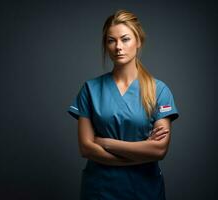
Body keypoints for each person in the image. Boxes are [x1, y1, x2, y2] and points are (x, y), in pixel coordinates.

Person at [67, 9, 179, 200]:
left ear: (138, 42)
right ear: (106, 45)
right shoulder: (90, 89)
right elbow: (86, 148)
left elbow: (159, 150)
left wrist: (106, 143)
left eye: (125, 39)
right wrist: (140, 153)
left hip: (144, 190)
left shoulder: (159, 90)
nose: (118, 46)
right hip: (100, 191)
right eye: (111, 40)